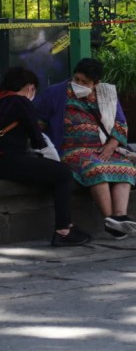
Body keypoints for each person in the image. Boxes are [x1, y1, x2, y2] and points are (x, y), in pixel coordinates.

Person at [37, 57, 136, 240]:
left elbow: (120, 123)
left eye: (85, 82)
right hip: (71, 149)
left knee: (126, 167)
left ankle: (119, 216)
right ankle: (110, 220)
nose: (79, 84)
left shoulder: (107, 95)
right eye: (77, 79)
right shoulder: (55, 93)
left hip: (101, 147)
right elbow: (40, 123)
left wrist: (111, 145)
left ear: (96, 83)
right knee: (95, 168)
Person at [1, 67, 91, 246]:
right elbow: (37, 140)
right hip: (9, 161)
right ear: (29, 87)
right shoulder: (20, 102)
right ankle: (64, 230)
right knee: (63, 174)